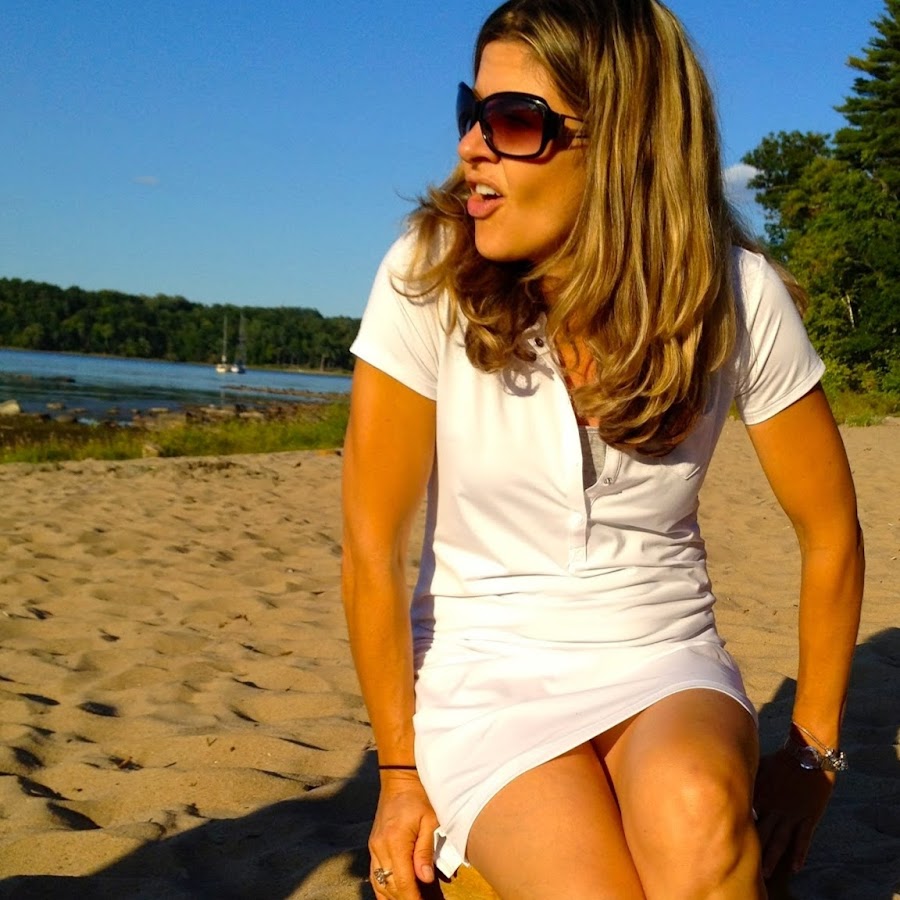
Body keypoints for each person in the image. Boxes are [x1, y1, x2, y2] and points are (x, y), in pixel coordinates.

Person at [341, 1, 864, 897]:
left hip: (661, 651)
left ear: (623, 141)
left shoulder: (732, 292)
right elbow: (372, 546)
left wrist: (813, 756)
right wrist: (397, 773)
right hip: (484, 665)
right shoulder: (428, 271)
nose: (471, 146)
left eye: (513, 121)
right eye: (472, 111)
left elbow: (831, 532)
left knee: (698, 818)